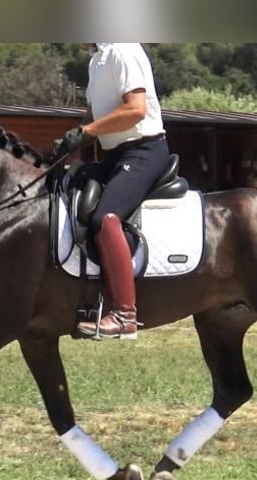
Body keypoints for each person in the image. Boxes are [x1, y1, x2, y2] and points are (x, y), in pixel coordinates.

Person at [57, 43, 170, 340]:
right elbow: (93, 117)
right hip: (113, 156)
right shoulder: (97, 61)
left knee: (106, 218)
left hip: (144, 151)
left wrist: (88, 132)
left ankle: (125, 314)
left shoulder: (123, 50)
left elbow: (135, 110)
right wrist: (71, 142)